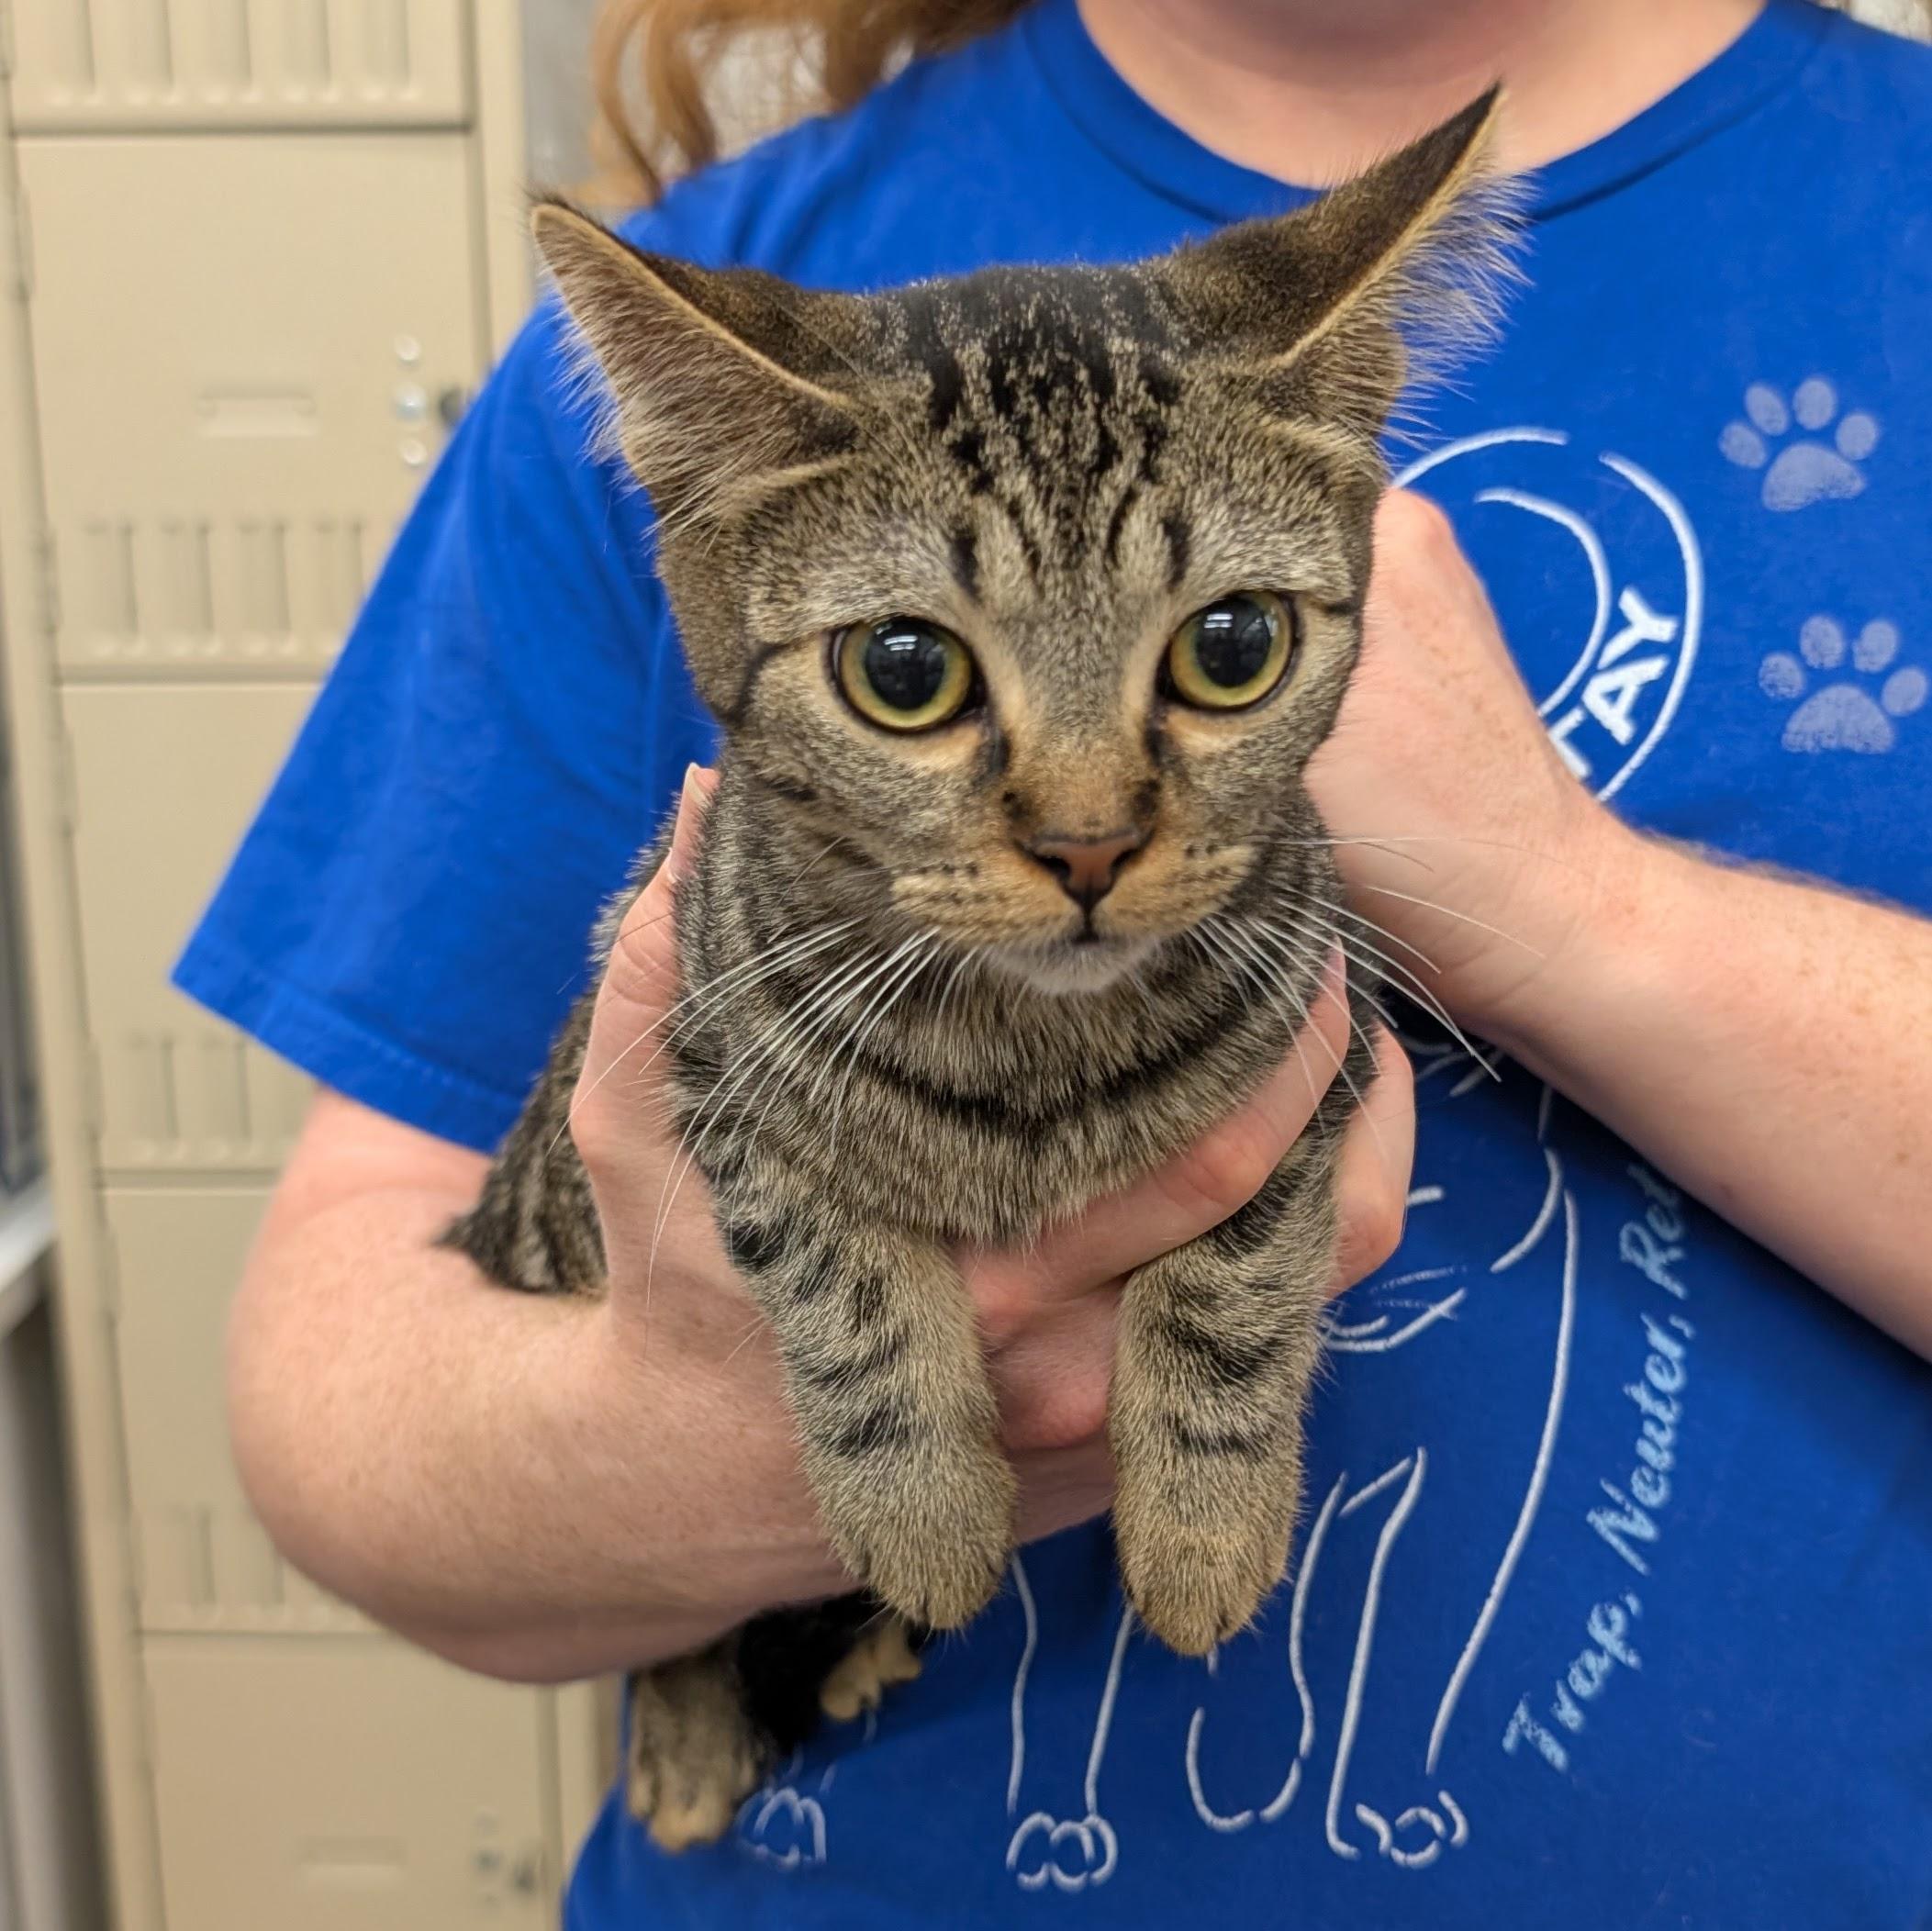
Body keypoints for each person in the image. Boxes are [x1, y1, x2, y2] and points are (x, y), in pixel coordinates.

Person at [175, 0, 1932, 1922]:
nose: (1088, 828)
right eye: (916, 673)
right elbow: (326, 1395)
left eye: (1227, 651)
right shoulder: (715, 346)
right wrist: (708, 1453)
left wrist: (1567, 906)